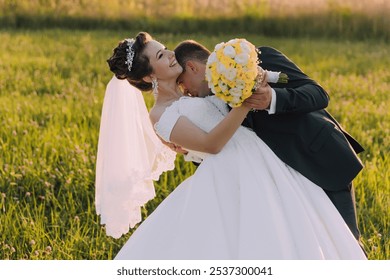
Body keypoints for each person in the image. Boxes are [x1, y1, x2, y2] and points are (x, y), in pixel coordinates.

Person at [98, 31, 366, 259]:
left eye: (164, 49)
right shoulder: (162, 113)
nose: (169, 55)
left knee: (316, 232)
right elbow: (211, 144)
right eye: (160, 56)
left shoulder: (226, 72)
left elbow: (317, 93)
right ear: (148, 78)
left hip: (288, 157)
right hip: (241, 169)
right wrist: (245, 101)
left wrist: (262, 94)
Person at [174, 40, 365, 246]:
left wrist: (273, 98)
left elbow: (319, 94)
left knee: (345, 244)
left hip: (319, 157)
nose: (186, 92)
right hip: (282, 182)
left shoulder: (256, 58)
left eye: (182, 83)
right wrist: (190, 151)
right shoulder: (211, 103)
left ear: (192, 67)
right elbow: (225, 149)